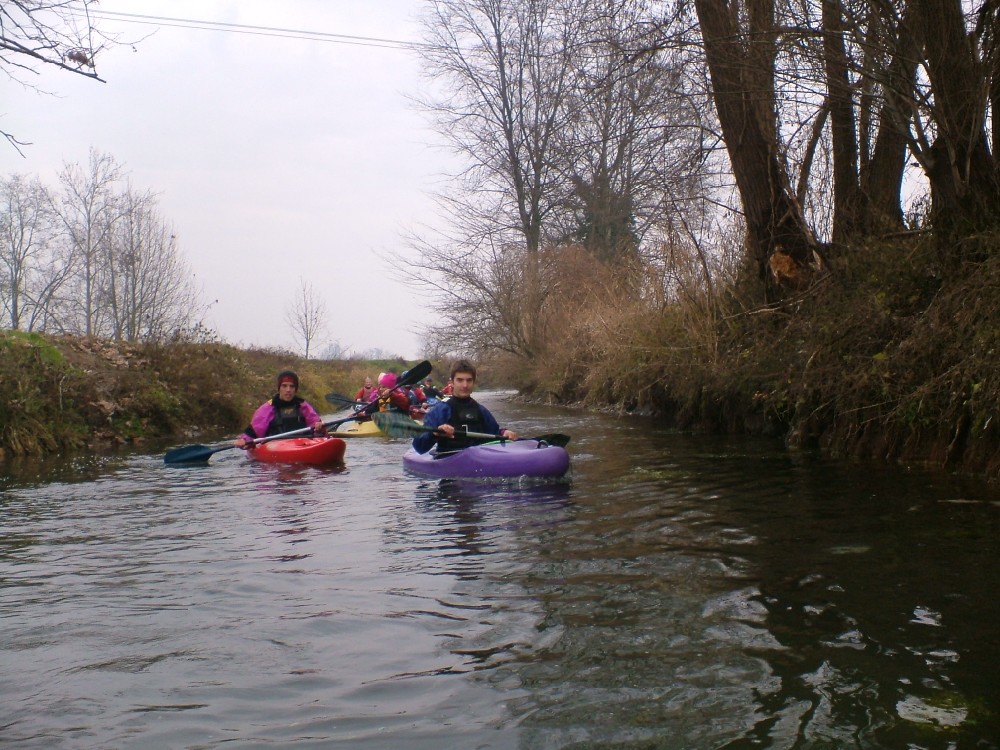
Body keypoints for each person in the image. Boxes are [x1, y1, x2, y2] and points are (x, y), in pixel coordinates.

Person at [412, 359, 517, 454]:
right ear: (452, 382)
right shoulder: (440, 410)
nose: (465, 385)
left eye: (469, 380)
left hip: (478, 461)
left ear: (473, 382)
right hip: (448, 462)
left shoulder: (481, 410)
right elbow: (418, 446)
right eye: (460, 380)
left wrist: (504, 433)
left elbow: (495, 434)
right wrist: (435, 433)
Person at [234, 370, 325, 448]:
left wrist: (320, 428)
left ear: (295, 389)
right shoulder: (268, 408)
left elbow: (319, 431)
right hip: (275, 447)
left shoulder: (303, 406)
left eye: (292, 386)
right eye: (284, 386)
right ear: (279, 388)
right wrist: (244, 440)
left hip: (303, 445)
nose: (288, 390)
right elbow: (253, 432)